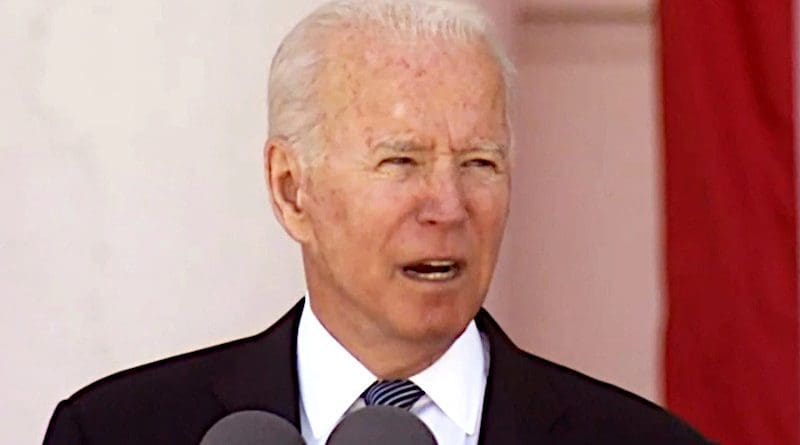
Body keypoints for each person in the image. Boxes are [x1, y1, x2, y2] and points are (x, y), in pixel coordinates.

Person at [43, 1, 712, 444]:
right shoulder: (116, 432)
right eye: (401, 161)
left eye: (480, 162)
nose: (448, 206)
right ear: (290, 188)